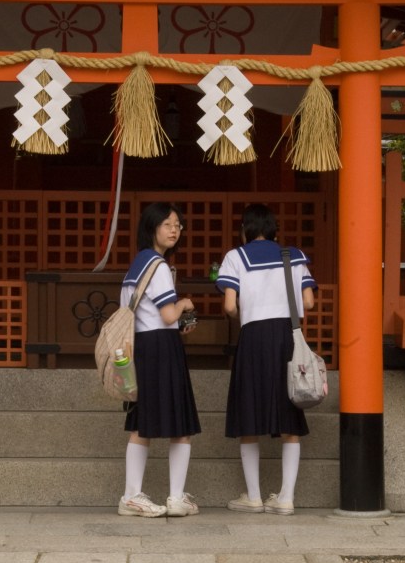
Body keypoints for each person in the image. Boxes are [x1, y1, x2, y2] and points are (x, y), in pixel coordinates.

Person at [215, 203, 317, 515]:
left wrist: (248, 310)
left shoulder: (236, 257)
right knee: (290, 413)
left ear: (245, 229)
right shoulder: (294, 256)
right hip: (287, 336)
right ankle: (286, 498)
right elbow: (309, 302)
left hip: (253, 338)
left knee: (249, 411)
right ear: (273, 229)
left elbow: (230, 307)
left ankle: (254, 497)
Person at [118, 202, 202, 518]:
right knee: (180, 426)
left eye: (178, 225)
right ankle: (176, 497)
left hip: (142, 347)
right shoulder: (159, 266)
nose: (174, 230)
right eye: (167, 224)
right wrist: (185, 304)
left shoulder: (136, 266)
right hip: (161, 349)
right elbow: (168, 315)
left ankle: (131, 495)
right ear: (152, 227)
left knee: (143, 423)